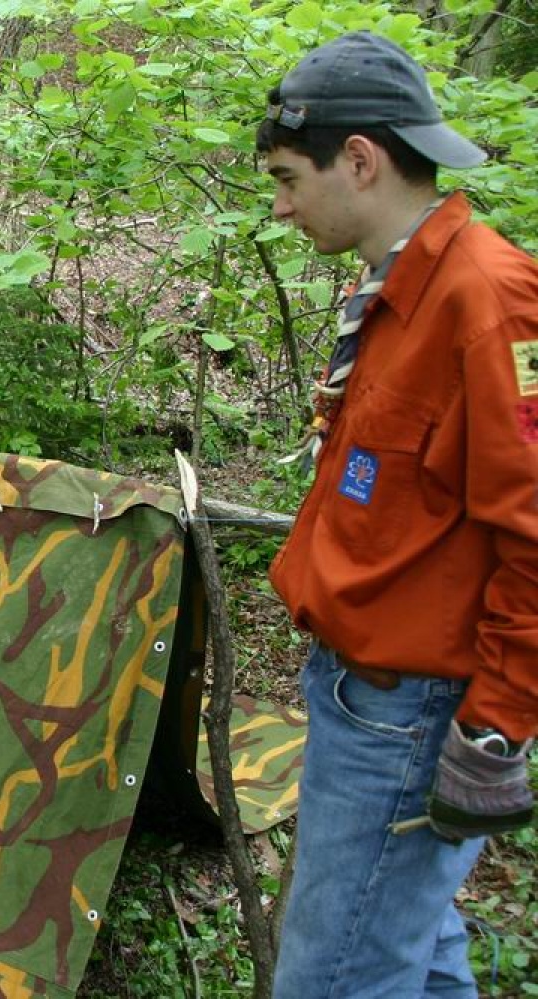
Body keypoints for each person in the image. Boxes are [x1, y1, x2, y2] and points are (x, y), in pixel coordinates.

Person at [258, 31, 536, 996]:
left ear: (362, 160)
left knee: (333, 979)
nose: (283, 205)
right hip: (359, 694)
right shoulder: (396, 289)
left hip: (408, 720)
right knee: (412, 957)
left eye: (292, 177)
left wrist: (495, 728)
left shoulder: (487, 300)